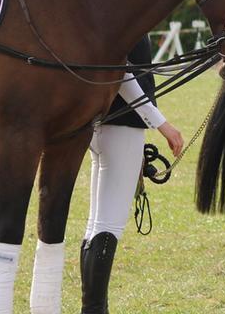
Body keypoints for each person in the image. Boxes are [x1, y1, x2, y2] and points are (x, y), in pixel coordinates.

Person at [68, 36, 185, 314]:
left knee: (96, 224)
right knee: (108, 226)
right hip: (123, 124)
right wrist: (162, 124)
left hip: (99, 125)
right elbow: (121, 71)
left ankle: (94, 308)